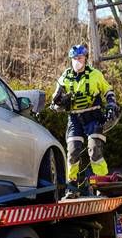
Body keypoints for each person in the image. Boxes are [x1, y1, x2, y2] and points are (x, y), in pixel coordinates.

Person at [51, 44, 118, 198]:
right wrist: (59, 102)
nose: (77, 61)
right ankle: (72, 186)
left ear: (85, 58)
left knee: (94, 150)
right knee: (72, 151)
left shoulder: (95, 75)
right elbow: (54, 103)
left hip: (93, 116)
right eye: (74, 58)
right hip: (74, 118)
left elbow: (108, 90)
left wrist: (111, 104)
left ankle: (102, 185)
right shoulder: (64, 78)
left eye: (79, 58)